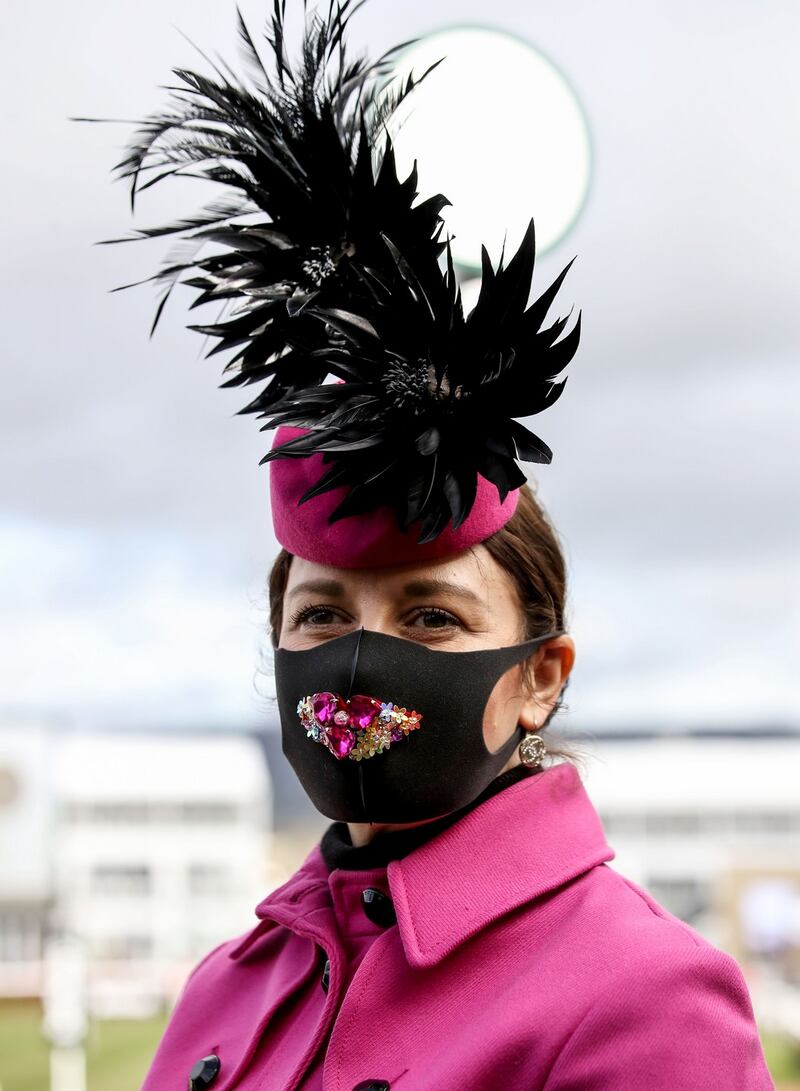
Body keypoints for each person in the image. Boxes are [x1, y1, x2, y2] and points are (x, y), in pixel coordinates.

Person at [97, 2, 773, 1087]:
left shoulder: (640, 997)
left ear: (539, 675)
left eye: (430, 614)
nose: (359, 657)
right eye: (320, 613)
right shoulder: (228, 983)